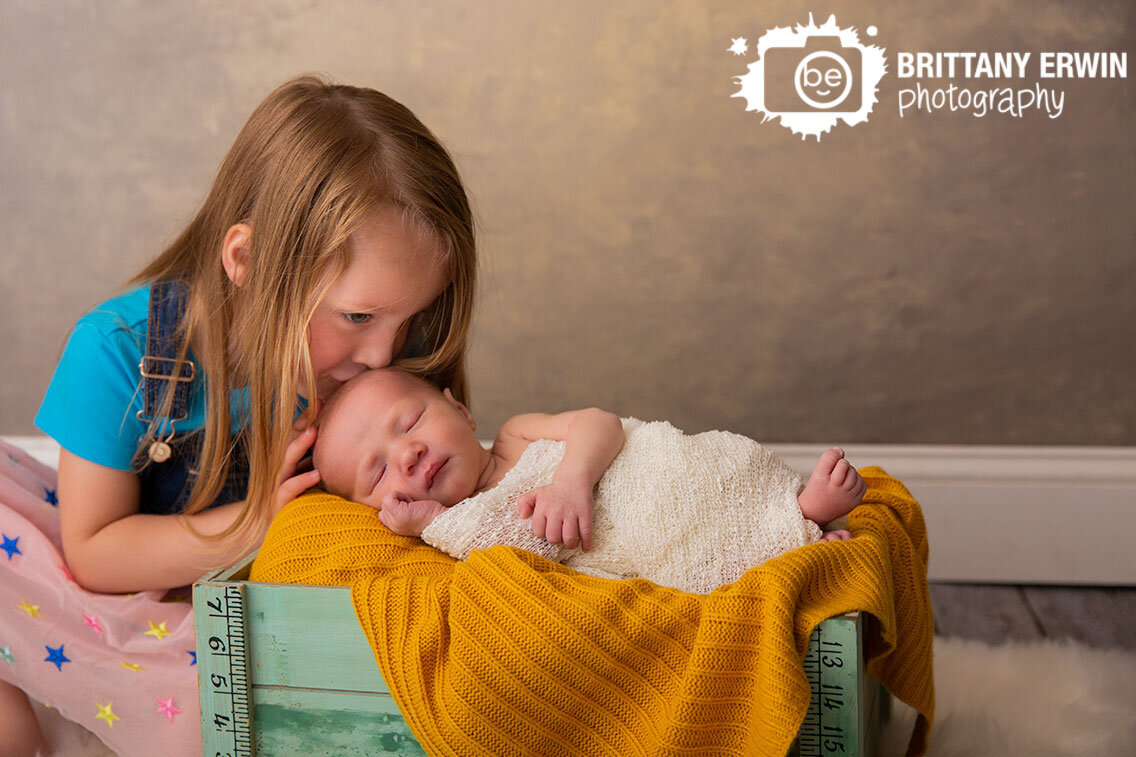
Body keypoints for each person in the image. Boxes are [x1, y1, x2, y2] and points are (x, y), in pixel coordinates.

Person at [0, 75, 477, 756]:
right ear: (248, 262)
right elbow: (95, 551)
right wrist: (255, 522)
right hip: (133, 571)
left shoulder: (373, 366)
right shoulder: (120, 354)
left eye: (410, 316)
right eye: (359, 317)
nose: (384, 354)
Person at [312, 368, 862, 595]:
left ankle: (789, 507)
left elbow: (602, 423)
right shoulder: (459, 539)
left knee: (710, 473)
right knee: (688, 563)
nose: (407, 454)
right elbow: (520, 556)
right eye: (378, 472)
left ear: (461, 409)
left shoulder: (516, 436)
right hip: (639, 543)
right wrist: (434, 524)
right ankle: (799, 532)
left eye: (410, 422)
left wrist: (573, 481)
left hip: (649, 471)